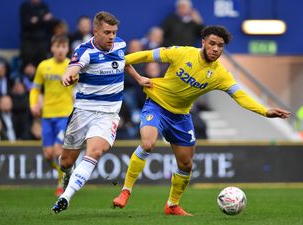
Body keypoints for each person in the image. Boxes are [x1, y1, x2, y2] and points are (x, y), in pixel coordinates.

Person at [112, 25, 291, 216]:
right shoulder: (180, 53)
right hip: (156, 105)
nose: (215, 49)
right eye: (212, 43)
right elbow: (142, 56)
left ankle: (172, 205)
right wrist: (135, 75)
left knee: (186, 165)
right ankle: (125, 191)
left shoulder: (220, 74)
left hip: (180, 117)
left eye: (220, 46)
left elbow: (240, 96)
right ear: (203, 42)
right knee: (148, 144)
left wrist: (265, 111)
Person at [51, 11, 152, 214]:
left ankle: (66, 196)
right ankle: (67, 175)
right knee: (66, 162)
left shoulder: (120, 45)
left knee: (95, 151)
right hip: (83, 111)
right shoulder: (84, 51)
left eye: (114, 32)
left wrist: (139, 78)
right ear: (95, 31)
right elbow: (72, 68)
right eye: (107, 32)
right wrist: (67, 77)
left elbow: (125, 62)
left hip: (108, 114)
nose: (111, 37)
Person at [29, 35, 74, 196]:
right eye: (58, 46)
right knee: (48, 155)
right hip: (47, 115)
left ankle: (61, 185)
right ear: (52, 48)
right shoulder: (43, 66)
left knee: (57, 152)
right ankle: (66, 174)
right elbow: (35, 88)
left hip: (64, 115)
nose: (61, 49)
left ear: (67, 48)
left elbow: (81, 86)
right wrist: (33, 103)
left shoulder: (72, 66)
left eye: (64, 46)